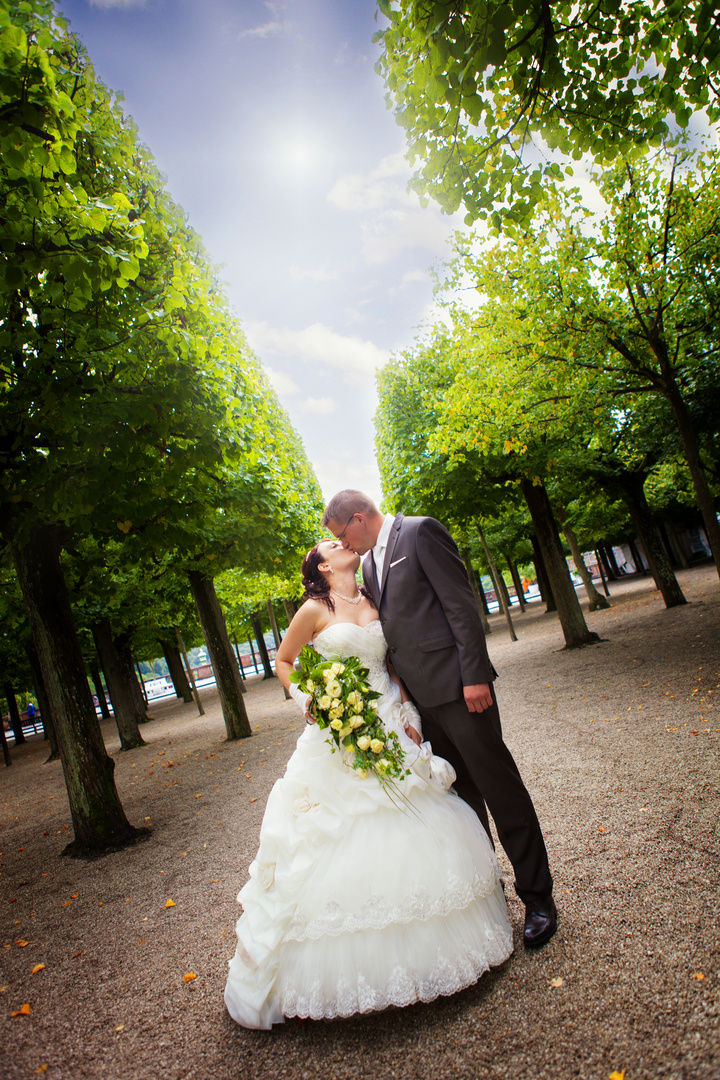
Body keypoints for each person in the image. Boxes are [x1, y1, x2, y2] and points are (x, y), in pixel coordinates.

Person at [224, 539, 513, 1029]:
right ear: (321, 564)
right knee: (345, 832)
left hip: (390, 719)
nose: (342, 545)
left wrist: (408, 713)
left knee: (420, 814)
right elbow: (285, 661)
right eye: (332, 544)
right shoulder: (314, 609)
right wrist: (309, 700)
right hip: (341, 730)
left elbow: (394, 666)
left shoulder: (375, 600)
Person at [322, 491, 557, 950]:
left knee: (499, 789)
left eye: (341, 534)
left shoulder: (420, 531)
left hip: (460, 691)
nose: (344, 544)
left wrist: (474, 676)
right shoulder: (368, 565)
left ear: (357, 517)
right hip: (421, 705)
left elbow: (461, 606)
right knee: (463, 803)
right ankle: (490, 897)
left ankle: (539, 899)